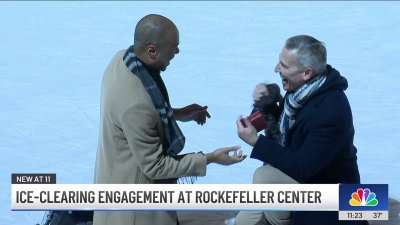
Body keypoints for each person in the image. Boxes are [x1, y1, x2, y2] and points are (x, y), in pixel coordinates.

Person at [93, 14, 246, 225]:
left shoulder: (122, 60)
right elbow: (156, 166)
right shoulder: (136, 106)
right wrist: (210, 158)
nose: (177, 52)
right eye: (172, 49)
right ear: (152, 50)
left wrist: (180, 113)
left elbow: (144, 113)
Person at [236, 35, 365, 225]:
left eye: (284, 66)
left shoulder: (331, 111)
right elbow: (282, 129)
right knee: (244, 221)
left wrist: (256, 141)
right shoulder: (305, 90)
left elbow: (303, 168)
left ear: (307, 73)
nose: (276, 69)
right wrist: (264, 105)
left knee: (264, 177)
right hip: (308, 177)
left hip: (336, 196)